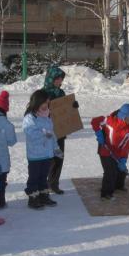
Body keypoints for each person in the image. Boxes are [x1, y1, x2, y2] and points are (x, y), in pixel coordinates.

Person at [42, 65, 78, 194]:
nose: (60, 81)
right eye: (57, 79)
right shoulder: (43, 93)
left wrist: (73, 106)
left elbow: (66, 111)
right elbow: (37, 110)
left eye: (61, 79)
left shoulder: (61, 93)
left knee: (58, 157)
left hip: (60, 131)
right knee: (47, 158)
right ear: (51, 79)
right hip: (47, 132)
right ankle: (43, 184)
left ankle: (53, 184)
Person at [23, 90, 61, 210]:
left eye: (48, 102)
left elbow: (52, 134)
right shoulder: (30, 118)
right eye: (45, 102)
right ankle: (33, 198)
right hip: (35, 155)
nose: (47, 104)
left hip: (47, 154)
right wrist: (44, 133)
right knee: (34, 177)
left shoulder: (47, 116)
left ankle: (43, 195)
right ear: (38, 101)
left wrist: (56, 148)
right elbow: (30, 133)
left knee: (43, 177)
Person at [91, 103, 129, 200]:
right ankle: (106, 193)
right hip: (105, 149)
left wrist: (123, 159)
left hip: (117, 152)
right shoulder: (109, 121)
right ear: (123, 116)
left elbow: (126, 146)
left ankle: (118, 186)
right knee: (110, 172)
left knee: (122, 170)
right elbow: (95, 121)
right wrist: (99, 134)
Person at [0, 91, 16, 209]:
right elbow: (12, 142)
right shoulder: (7, 125)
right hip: (2, 161)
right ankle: (0, 202)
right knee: (1, 182)